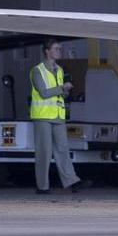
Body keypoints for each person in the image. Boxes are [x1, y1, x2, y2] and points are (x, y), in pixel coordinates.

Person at [29, 39, 90, 194]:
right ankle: (42, 186)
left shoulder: (60, 70)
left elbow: (57, 93)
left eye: (60, 49)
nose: (59, 51)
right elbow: (43, 93)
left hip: (57, 116)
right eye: (56, 49)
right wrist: (62, 88)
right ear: (47, 51)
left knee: (63, 149)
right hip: (43, 116)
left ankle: (72, 181)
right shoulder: (38, 70)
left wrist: (65, 91)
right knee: (45, 152)